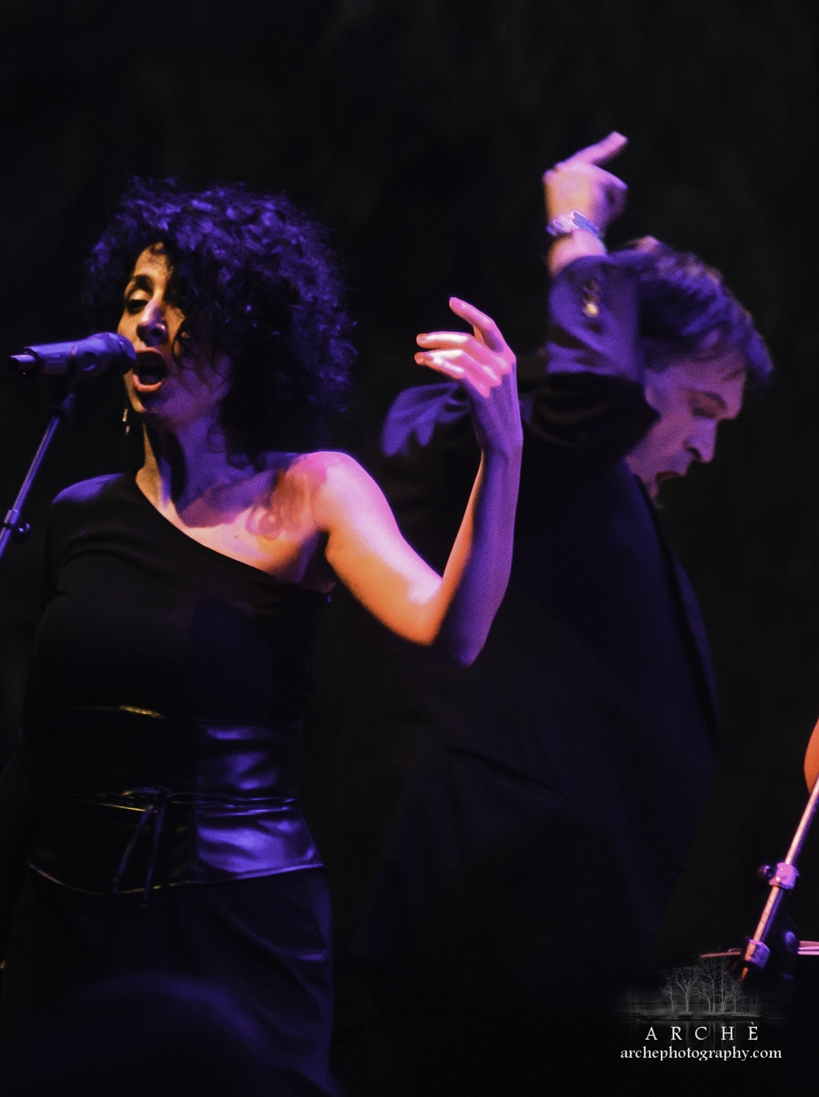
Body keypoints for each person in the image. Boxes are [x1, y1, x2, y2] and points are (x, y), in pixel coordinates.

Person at [0, 178, 523, 1096]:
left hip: (235, 928)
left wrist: (502, 453)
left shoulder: (313, 490)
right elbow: (40, 758)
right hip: (69, 934)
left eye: (183, 301)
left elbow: (450, 629)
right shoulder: (80, 515)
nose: (149, 320)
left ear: (248, 339)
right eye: (136, 296)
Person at [328, 134, 772, 1087]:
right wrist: (577, 230)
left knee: (754, 1033)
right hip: (454, 949)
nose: (704, 449)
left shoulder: (600, 497)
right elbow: (590, 397)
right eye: (701, 407)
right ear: (630, 357)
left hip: (546, 972)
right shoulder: (490, 431)